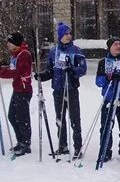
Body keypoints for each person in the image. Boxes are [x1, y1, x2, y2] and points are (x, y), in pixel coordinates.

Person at [37, 22, 86, 159]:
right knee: (60, 118)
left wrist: (73, 71)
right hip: (58, 89)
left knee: (75, 118)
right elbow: (50, 70)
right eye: (66, 34)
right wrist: (42, 75)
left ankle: (77, 147)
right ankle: (62, 145)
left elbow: (83, 69)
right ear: (60, 36)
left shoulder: (76, 50)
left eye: (70, 33)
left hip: (71, 88)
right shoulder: (54, 51)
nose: (68, 36)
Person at [0, 32, 33, 157]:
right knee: (12, 116)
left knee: (22, 117)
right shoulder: (16, 54)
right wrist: (1, 66)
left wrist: (1, 71)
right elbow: (12, 68)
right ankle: (20, 140)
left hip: (23, 89)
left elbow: (17, 72)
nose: (7, 44)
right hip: (17, 89)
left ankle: (25, 143)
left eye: (9, 42)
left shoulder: (24, 54)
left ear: (15, 43)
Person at [95, 36, 120, 163]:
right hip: (109, 99)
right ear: (109, 47)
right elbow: (98, 82)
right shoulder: (103, 62)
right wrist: (107, 78)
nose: (119, 46)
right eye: (116, 44)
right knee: (105, 127)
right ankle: (105, 151)